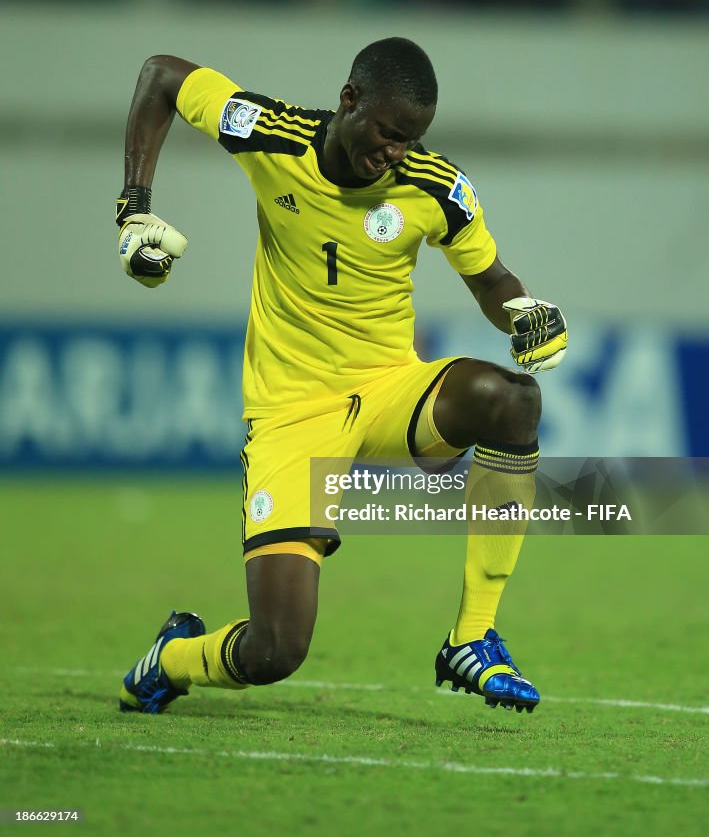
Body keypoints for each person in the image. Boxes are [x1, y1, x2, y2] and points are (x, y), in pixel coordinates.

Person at [116, 37, 567, 716]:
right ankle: (174, 658)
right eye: (389, 134)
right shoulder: (272, 134)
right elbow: (160, 77)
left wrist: (527, 316)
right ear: (349, 100)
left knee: (512, 401)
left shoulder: (435, 187)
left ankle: (472, 637)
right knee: (276, 651)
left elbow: (494, 282)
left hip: (389, 389)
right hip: (292, 414)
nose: (396, 153)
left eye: (411, 141)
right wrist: (134, 206)